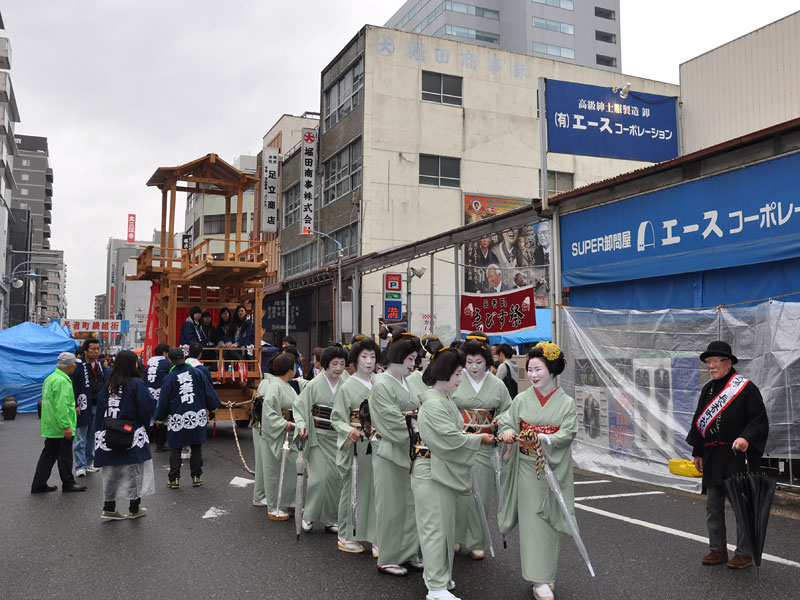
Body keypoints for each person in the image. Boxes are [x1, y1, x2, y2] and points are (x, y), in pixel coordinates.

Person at [499, 342, 578, 600]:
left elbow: (568, 433)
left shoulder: (566, 403)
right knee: (533, 522)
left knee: (550, 521)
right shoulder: (521, 399)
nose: (532, 375)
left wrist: (544, 438)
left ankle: (546, 574)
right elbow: (508, 422)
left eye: (538, 369)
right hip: (526, 467)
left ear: (552, 369)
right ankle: (539, 579)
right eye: (530, 369)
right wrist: (508, 433)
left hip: (553, 467)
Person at [414, 346, 494, 600]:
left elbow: (453, 435)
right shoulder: (434, 403)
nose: (461, 378)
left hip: (439, 468)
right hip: (430, 469)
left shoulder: (443, 398)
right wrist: (478, 439)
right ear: (445, 372)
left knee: (445, 528)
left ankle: (441, 578)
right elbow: (449, 438)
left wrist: (473, 436)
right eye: (458, 373)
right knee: (435, 529)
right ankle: (435, 587)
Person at [686, 341, 769, 570]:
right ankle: (717, 549)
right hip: (713, 455)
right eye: (708, 362)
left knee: (742, 506)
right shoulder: (708, 389)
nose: (711, 366)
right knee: (713, 505)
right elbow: (698, 422)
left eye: (715, 361)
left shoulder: (745, 388)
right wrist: (698, 452)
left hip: (737, 455)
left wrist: (746, 438)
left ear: (729, 363)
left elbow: (759, 419)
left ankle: (744, 553)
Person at [368, 325, 424, 576]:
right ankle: (389, 556)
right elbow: (390, 421)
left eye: (414, 359)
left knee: (411, 504)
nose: (413, 364)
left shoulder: (407, 382)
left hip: (410, 448)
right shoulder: (381, 384)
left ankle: (409, 552)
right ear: (397, 357)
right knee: (391, 505)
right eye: (410, 359)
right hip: (389, 449)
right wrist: (419, 432)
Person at [453, 332, 512, 559]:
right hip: (459, 444)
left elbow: (507, 409)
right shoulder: (455, 379)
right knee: (457, 492)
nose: (474, 367)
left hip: (485, 445)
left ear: (487, 360)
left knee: (482, 494)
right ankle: (454, 537)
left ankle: (476, 541)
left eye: (479, 362)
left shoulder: (497, 385)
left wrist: (500, 420)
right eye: (469, 362)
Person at [93, 350, 157, 520]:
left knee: (111, 472)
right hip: (130, 432)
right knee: (133, 470)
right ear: (131, 364)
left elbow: (100, 411)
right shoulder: (136, 383)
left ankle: (109, 508)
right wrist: (144, 423)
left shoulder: (108, 385)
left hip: (108, 433)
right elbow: (145, 407)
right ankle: (134, 508)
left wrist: (100, 431)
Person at [331, 336, 380, 554]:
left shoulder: (380, 382)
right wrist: (348, 430)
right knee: (353, 489)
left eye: (372, 356)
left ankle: (376, 535)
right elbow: (337, 418)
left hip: (379, 443)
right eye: (364, 357)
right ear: (355, 359)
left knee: (378, 491)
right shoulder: (347, 387)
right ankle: (346, 534)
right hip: (357, 443)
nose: (369, 361)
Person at [294, 344, 349, 533]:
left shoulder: (347, 384)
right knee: (318, 479)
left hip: (339, 439)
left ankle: (330, 518)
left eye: (342, 364)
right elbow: (300, 405)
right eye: (334, 363)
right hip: (318, 437)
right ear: (326, 363)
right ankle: (308, 515)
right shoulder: (315, 384)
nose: (339, 368)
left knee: (335, 479)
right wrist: (302, 425)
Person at [155, 348, 221, 488]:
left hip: (178, 418)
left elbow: (164, 401)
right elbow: (208, 392)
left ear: (170, 360)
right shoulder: (197, 373)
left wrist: (160, 418)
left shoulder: (169, 378)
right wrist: (212, 409)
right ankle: (196, 477)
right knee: (196, 446)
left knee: (176, 447)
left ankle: (174, 479)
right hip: (196, 416)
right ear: (184, 358)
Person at [31, 352, 87, 494]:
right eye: (74, 364)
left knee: (48, 455)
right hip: (60, 426)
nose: (75, 366)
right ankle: (68, 483)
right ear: (69, 365)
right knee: (65, 456)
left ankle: (39, 483)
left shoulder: (50, 378)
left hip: (51, 424)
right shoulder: (62, 381)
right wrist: (66, 426)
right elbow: (61, 406)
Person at [257, 352, 299, 519]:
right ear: (290, 370)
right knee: (274, 471)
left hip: (288, 432)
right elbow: (269, 413)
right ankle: (274, 507)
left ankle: (288, 503)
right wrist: (283, 423)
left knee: (290, 469)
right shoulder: (274, 386)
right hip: (277, 432)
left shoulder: (286, 386)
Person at [72, 337, 106, 477]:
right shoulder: (79, 365)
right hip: (83, 405)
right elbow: (73, 385)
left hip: (97, 404)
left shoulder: (99, 365)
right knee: (81, 436)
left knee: (92, 436)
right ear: (85, 351)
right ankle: (80, 465)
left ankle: (89, 462)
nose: (96, 352)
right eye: (93, 349)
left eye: (98, 349)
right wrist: (75, 405)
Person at [145, 343, 171, 452]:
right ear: (164, 353)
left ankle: (154, 440)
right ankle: (160, 444)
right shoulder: (166, 363)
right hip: (161, 394)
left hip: (149, 393)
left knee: (152, 418)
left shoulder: (150, 364)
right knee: (162, 418)